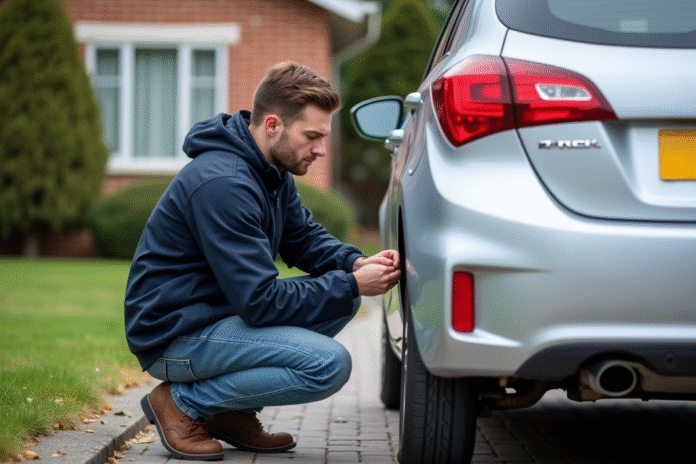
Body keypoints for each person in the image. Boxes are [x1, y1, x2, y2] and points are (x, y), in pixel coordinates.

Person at [124, 61, 401, 461]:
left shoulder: (270, 171)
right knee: (328, 365)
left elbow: (302, 238)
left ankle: (230, 413)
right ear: (272, 125)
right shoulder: (224, 185)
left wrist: (354, 265)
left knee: (344, 300)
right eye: (312, 137)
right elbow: (260, 302)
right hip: (174, 333)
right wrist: (352, 283)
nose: (321, 150)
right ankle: (185, 403)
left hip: (215, 315)